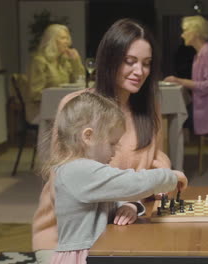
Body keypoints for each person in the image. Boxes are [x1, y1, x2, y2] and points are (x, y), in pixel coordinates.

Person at [32, 18, 179, 263]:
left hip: (122, 225)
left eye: (146, 64)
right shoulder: (76, 106)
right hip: (69, 238)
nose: (139, 71)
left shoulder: (149, 108)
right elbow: (63, 177)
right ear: (110, 59)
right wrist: (126, 197)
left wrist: (134, 202)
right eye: (129, 62)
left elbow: (157, 157)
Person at [44, 92, 187, 264]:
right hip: (82, 257)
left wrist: (129, 205)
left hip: (100, 250)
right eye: (112, 143)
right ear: (87, 137)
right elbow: (129, 183)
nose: (114, 152)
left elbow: (110, 196)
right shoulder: (76, 170)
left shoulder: (91, 172)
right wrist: (169, 177)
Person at [164, 15, 208, 135]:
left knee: (171, 119)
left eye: (185, 31)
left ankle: (172, 152)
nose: (182, 35)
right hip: (204, 106)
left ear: (195, 33)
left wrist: (178, 81)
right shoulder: (199, 54)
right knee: (171, 115)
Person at [26, 24, 85, 124]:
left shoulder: (64, 60)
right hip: (40, 109)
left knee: (85, 114)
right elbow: (34, 94)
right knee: (78, 119)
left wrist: (76, 61)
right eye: (63, 38)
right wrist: (56, 96)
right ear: (52, 40)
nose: (67, 42)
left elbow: (80, 80)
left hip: (62, 106)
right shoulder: (39, 61)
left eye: (67, 38)